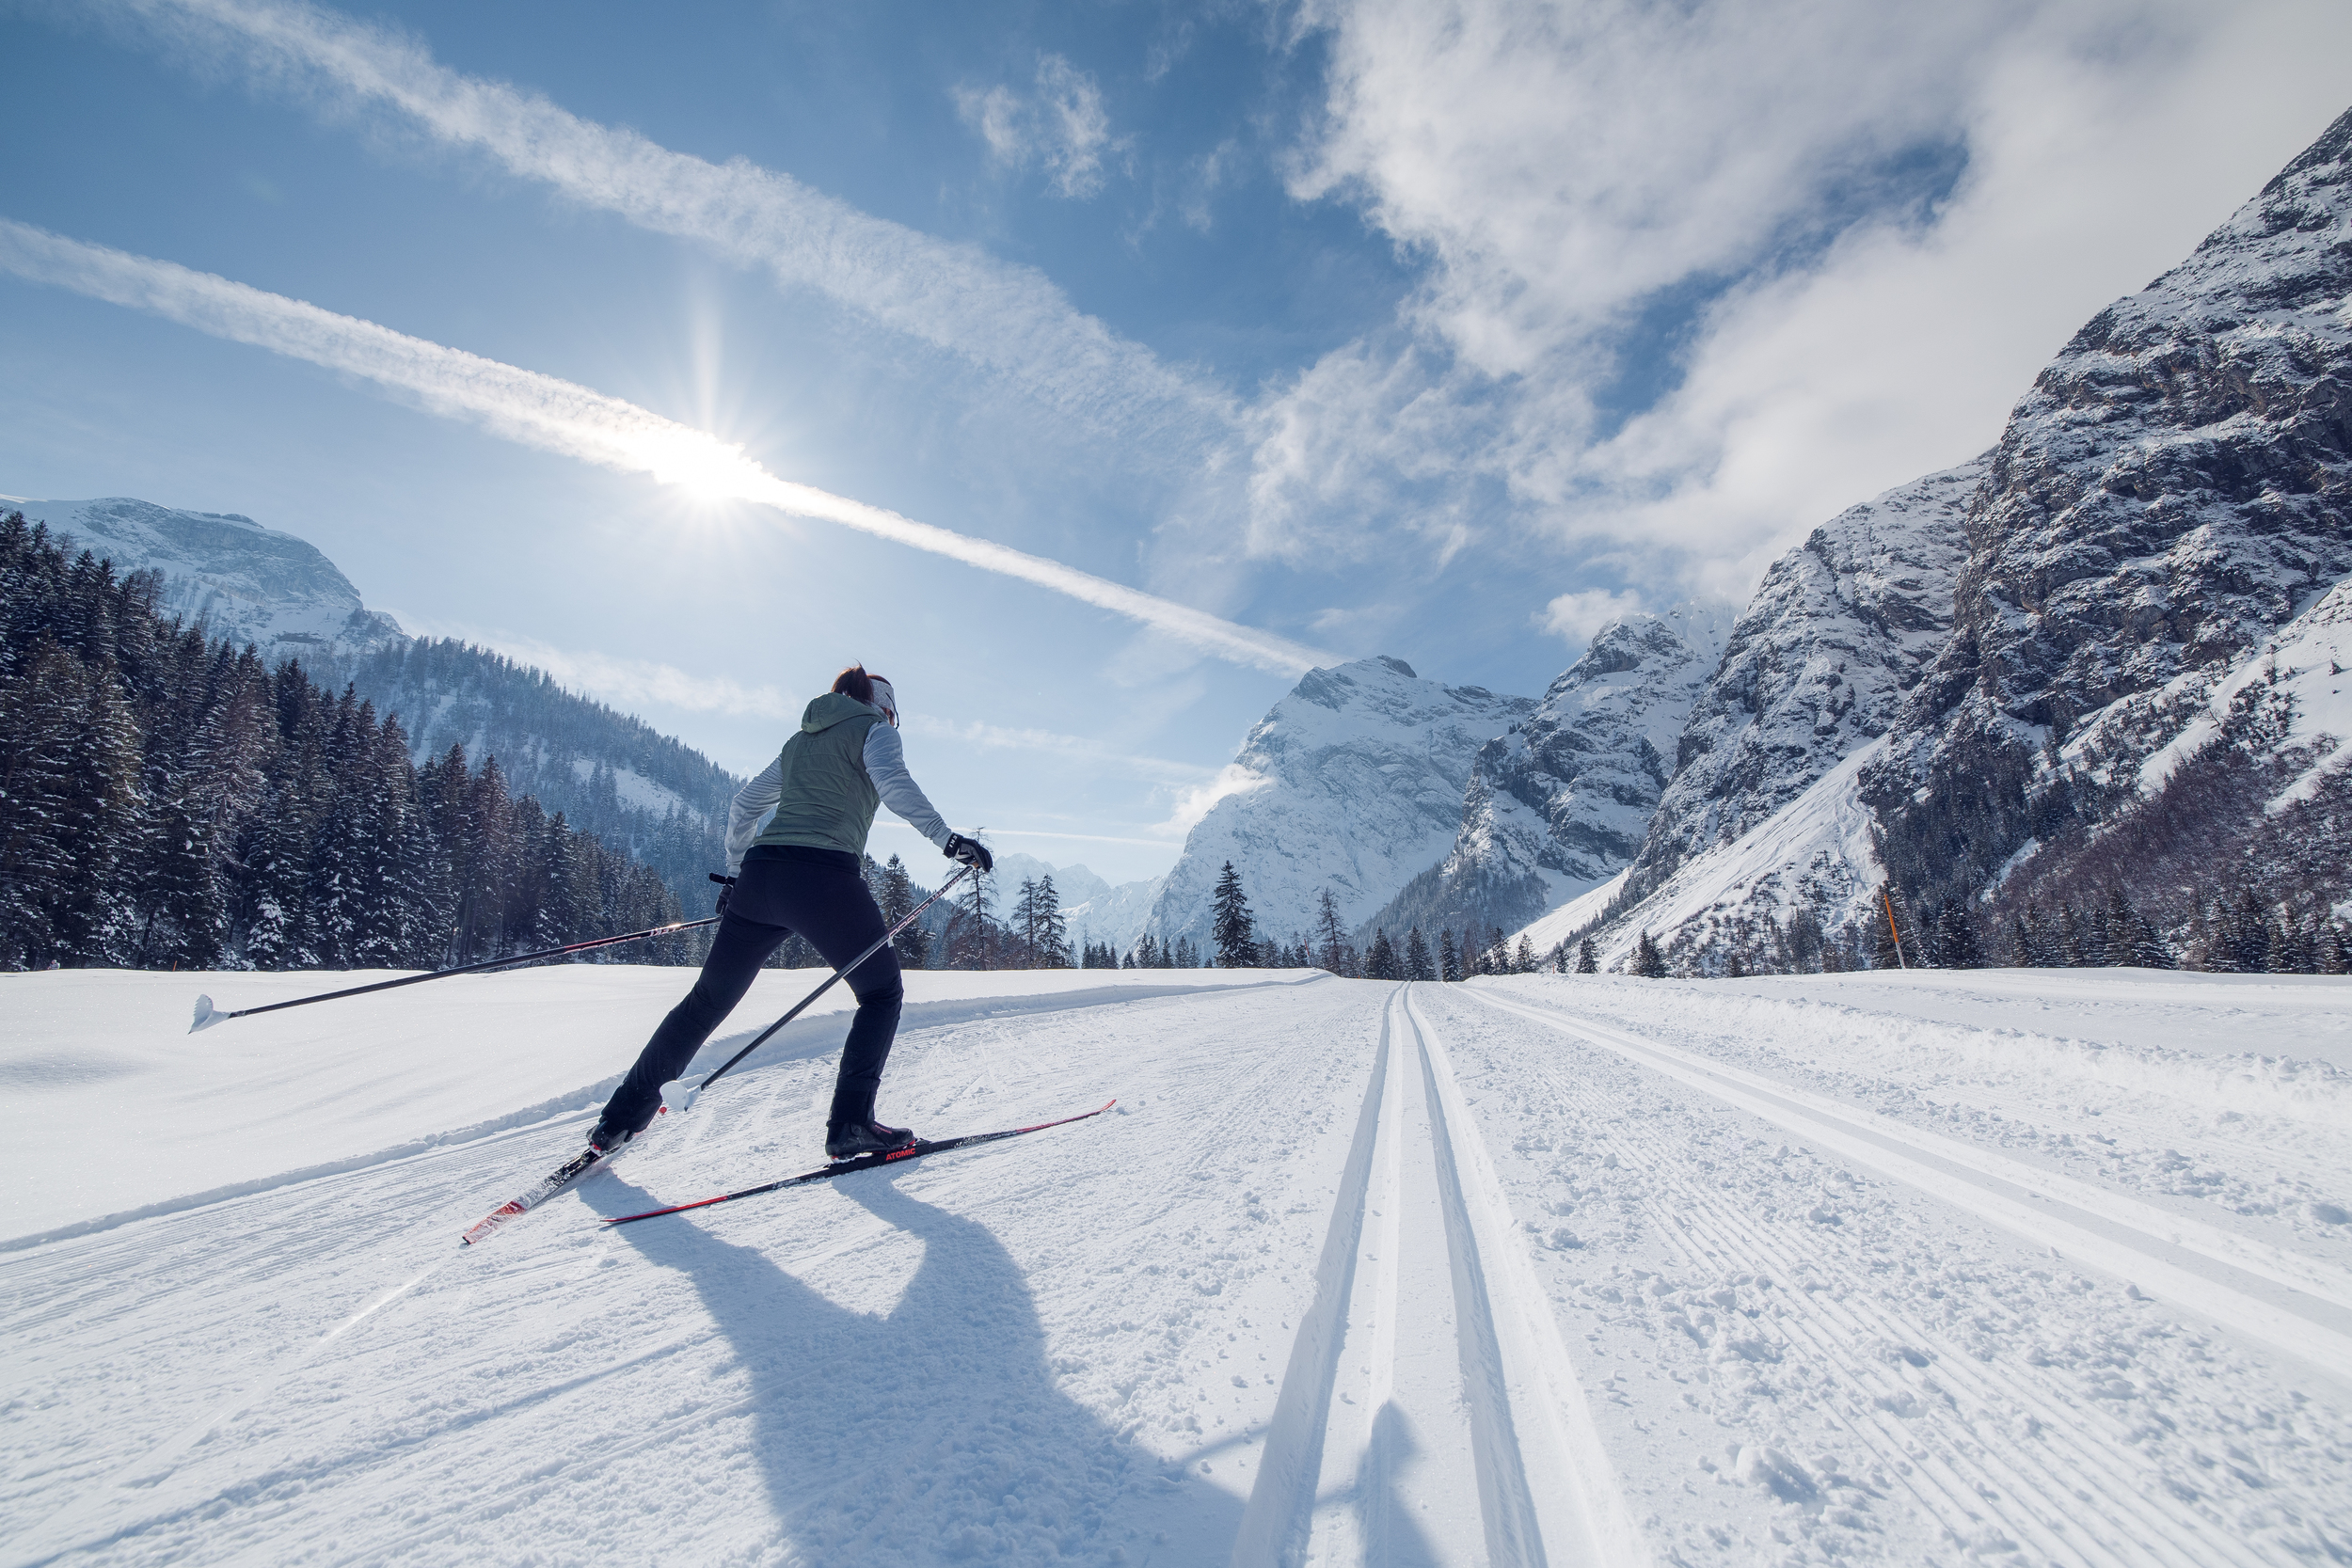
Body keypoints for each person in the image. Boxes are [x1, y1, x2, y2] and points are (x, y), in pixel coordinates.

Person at [590, 665, 993, 1160]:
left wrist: (737, 874)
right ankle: (850, 1123)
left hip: (760, 879)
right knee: (881, 993)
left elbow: (743, 805)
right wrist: (948, 841)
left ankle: (618, 1120)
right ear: (886, 708)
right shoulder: (876, 732)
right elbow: (893, 784)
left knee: (704, 1004)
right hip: (822, 878)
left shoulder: (799, 741)